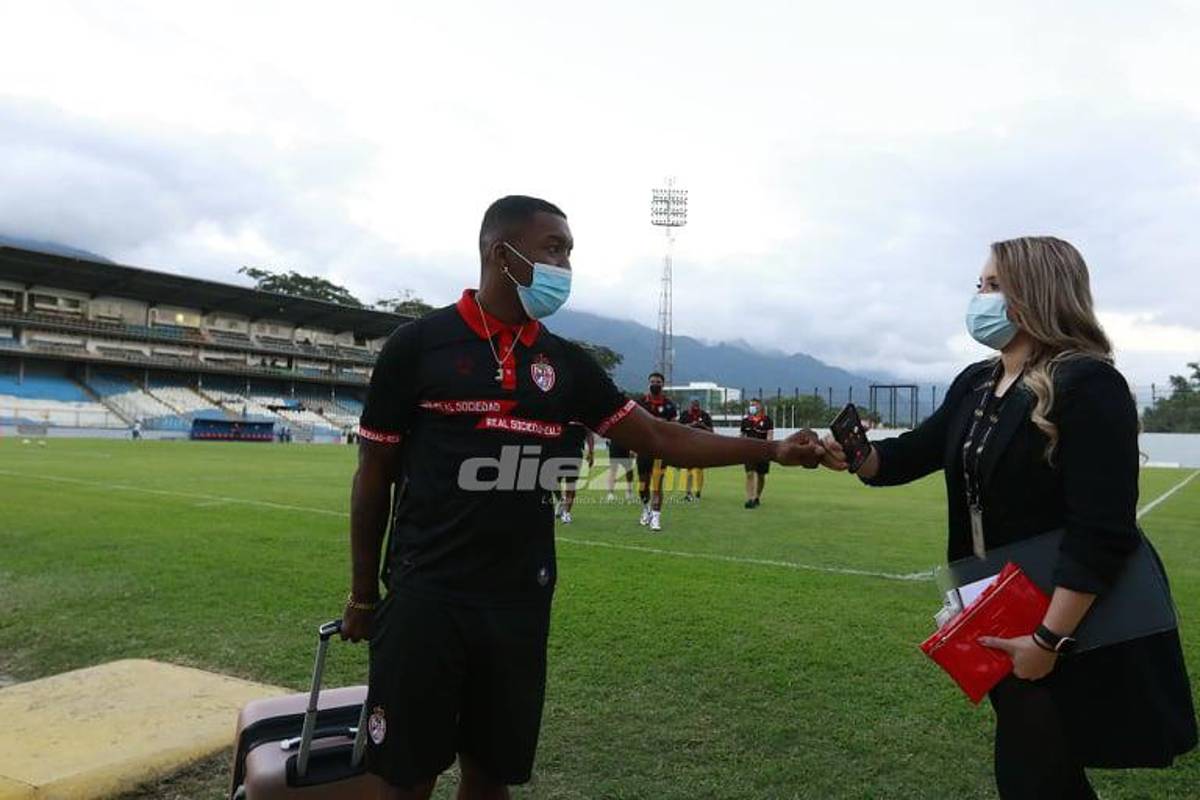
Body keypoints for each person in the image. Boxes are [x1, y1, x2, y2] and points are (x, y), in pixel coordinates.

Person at [340, 195, 826, 800]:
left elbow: (656, 437)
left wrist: (768, 449)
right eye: (553, 249)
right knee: (408, 776)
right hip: (425, 596)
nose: (565, 266)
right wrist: (363, 594)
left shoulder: (566, 364)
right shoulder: (418, 346)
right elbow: (373, 473)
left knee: (492, 775)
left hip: (519, 600)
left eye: (569, 252)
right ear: (502, 254)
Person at [820, 236, 1197, 799]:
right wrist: (857, 455)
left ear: (1036, 293)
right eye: (980, 284)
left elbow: (1103, 530)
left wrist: (1047, 641)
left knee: (1035, 771)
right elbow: (911, 453)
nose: (980, 296)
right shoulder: (976, 381)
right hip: (992, 606)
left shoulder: (1088, 384)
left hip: (1056, 614)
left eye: (994, 285)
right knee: (1038, 769)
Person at [634, 371, 677, 531]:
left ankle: (656, 517)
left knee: (657, 485)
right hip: (643, 449)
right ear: (648, 383)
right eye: (653, 381)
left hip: (661, 450)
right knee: (643, 486)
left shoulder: (669, 405)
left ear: (662, 384)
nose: (655, 384)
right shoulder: (640, 403)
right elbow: (635, 426)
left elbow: (673, 428)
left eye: (658, 382)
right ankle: (646, 510)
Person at [553, 421, 593, 524]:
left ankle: (566, 513)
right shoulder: (560, 411)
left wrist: (591, 451)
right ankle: (561, 500)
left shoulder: (582, 414)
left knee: (570, 485)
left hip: (575, 451)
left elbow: (589, 433)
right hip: (557, 450)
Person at [677, 399, 714, 501]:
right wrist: (690, 425)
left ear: (699, 405)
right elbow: (678, 428)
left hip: (701, 445)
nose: (695, 406)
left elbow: (711, 430)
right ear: (690, 405)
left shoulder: (705, 415)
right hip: (687, 445)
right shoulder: (685, 414)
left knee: (699, 469)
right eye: (693, 404)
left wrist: (702, 426)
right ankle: (688, 493)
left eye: (697, 404)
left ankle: (698, 491)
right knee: (688, 469)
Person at [740, 398, 774, 508]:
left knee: (761, 476)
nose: (752, 407)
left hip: (763, 452)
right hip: (749, 452)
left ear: (760, 406)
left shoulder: (767, 420)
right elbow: (741, 436)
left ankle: (757, 497)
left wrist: (767, 449)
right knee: (749, 474)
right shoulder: (745, 421)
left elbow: (770, 436)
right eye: (751, 405)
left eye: (754, 405)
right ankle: (750, 498)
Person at [604, 434, 635, 502]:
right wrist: (607, 443)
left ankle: (629, 491)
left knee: (629, 469)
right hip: (615, 444)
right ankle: (610, 493)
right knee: (613, 469)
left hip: (627, 445)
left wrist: (632, 449)